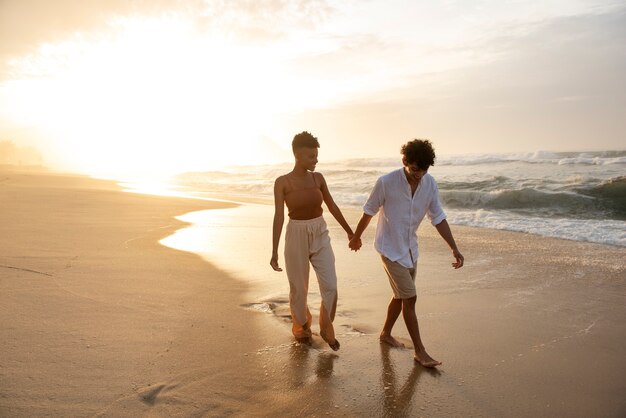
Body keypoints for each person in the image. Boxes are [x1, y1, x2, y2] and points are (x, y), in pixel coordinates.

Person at [349, 139, 464, 367]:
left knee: (400, 295)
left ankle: (385, 333)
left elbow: (438, 218)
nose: (418, 175)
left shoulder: (429, 184)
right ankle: (420, 351)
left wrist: (453, 247)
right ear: (405, 162)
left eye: (423, 170)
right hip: (389, 249)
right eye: (414, 170)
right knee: (410, 297)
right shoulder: (386, 183)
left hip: (410, 249)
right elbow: (369, 211)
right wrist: (356, 236)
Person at [270, 131, 354, 351]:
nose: (316, 160)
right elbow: (279, 216)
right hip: (295, 234)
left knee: (331, 285)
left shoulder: (318, 178)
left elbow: (332, 206)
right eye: (311, 156)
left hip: (320, 231)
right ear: (298, 155)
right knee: (299, 288)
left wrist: (349, 232)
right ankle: (302, 327)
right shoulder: (282, 182)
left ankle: (326, 327)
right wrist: (274, 251)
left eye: (316, 155)